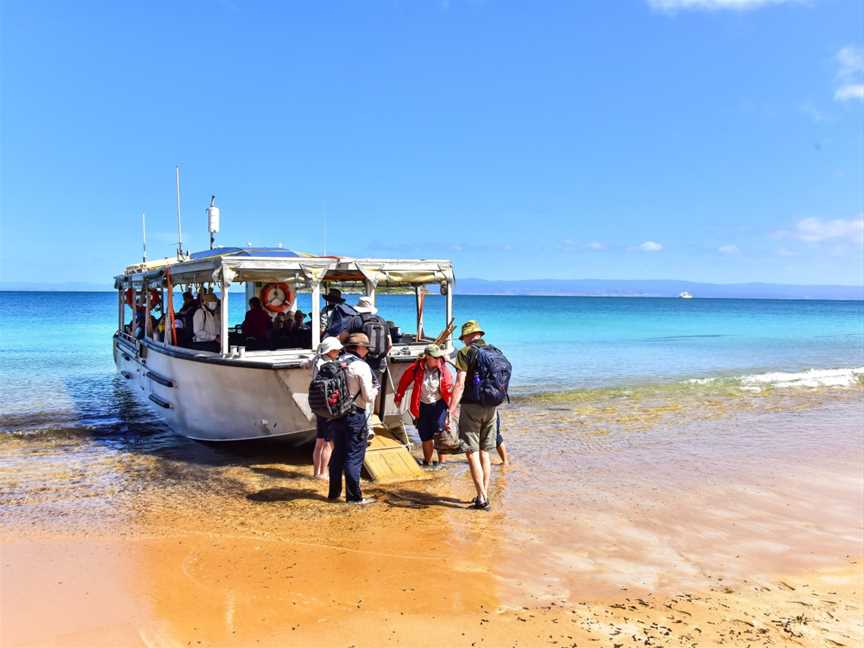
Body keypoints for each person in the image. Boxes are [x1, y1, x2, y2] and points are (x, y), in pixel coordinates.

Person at [448, 320, 507, 510]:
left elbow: (460, 384)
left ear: (466, 337)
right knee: (484, 452)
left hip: (471, 406)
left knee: (471, 452)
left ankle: (482, 498)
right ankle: (483, 493)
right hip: (492, 406)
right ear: (480, 335)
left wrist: (450, 410)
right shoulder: (495, 351)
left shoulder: (465, 353)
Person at [328, 332, 379, 505]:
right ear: (359, 348)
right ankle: (354, 497)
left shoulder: (336, 362)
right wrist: (375, 390)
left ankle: (334, 493)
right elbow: (368, 397)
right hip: (355, 415)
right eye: (366, 348)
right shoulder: (361, 366)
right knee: (354, 456)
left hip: (336, 415)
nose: (366, 351)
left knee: (337, 455)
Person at [394, 343, 453, 467]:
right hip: (421, 405)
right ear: (427, 357)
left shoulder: (443, 369)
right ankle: (428, 462)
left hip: (439, 405)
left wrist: (450, 411)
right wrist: (399, 396)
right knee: (425, 435)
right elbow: (404, 381)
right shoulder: (416, 368)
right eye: (434, 357)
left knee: (440, 434)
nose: (438, 360)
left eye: (438, 357)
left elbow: (449, 390)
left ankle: (442, 463)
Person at [309, 337, 343, 479]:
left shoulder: (317, 360)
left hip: (318, 406)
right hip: (329, 408)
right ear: (330, 351)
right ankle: (324, 473)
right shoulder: (330, 366)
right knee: (329, 443)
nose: (339, 353)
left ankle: (316, 472)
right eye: (336, 351)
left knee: (319, 441)